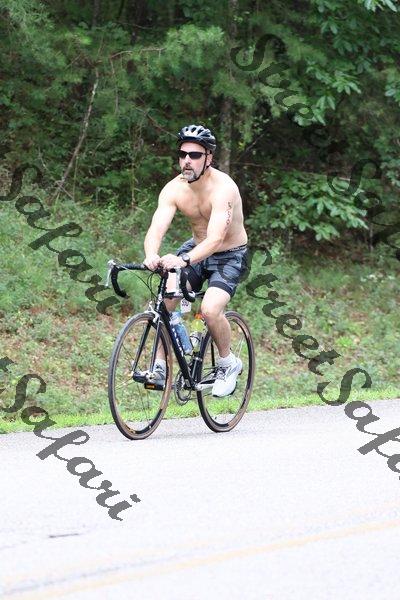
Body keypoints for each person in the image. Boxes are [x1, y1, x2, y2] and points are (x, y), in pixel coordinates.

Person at [143, 124, 248, 397]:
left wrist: (183, 260)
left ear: (208, 158)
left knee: (210, 309)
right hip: (195, 249)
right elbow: (156, 228)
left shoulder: (223, 188)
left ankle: (227, 363)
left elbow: (216, 238)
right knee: (164, 302)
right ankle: (160, 366)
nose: (187, 160)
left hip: (228, 254)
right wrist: (151, 254)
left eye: (195, 155)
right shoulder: (174, 189)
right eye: (183, 154)